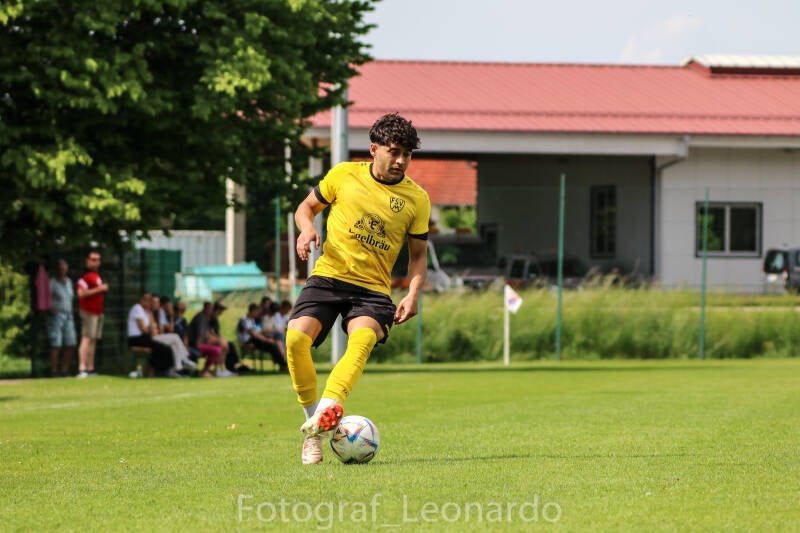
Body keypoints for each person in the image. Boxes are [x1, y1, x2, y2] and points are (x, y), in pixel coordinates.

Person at [287, 113, 430, 464]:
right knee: (294, 340)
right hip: (328, 276)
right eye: (394, 152)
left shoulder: (416, 199)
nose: (400, 161)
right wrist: (306, 230)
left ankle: (329, 410)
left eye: (407, 155)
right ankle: (314, 427)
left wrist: (412, 293)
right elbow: (305, 208)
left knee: (363, 339)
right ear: (374, 149)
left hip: (373, 291)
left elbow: (418, 257)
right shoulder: (343, 175)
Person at [127, 292, 176, 376]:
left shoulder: (147, 312)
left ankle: (160, 371)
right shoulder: (137, 308)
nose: (150, 303)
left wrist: (150, 313)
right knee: (161, 348)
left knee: (165, 348)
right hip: (137, 339)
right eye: (148, 301)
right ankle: (159, 372)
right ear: (142, 300)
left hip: (145, 338)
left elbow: (154, 328)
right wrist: (151, 329)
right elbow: (144, 330)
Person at [76, 250, 108, 378]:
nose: (96, 262)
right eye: (93, 259)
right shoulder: (85, 276)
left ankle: (90, 367)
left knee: (93, 340)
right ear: (88, 261)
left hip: (98, 312)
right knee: (86, 338)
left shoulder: (97, 275)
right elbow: (81, 293)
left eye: (98, 259)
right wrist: (100, 289)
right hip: (88, 311)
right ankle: (82, 368)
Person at [150, 295, 197, 374]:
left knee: (174, 344)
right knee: (175, 337)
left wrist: (171, 316)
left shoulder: (161, 313)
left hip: (161, 337)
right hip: (155, 338)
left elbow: (169, 329)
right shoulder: (157, 312)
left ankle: (178, 367)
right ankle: (184, 360)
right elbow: (163, 330)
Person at [187, 301, 234, 378]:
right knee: (219, 346)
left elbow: (213, 334)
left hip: (202, 343)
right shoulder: (201, 317)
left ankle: (221, 369)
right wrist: (198, 346)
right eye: (212, 309)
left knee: (224, 343)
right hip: (195, 345)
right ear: (207, 308)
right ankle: (215, 370)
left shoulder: (208, 319)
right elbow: (201, 335)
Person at [236, 303, 287, 371]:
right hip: (247, 341)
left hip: (253, 339)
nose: (258, 314)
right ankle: (283, 364)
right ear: (253, 310)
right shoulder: (245, 319)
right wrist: (266, 340)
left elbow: (257, 332)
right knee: (272, 345)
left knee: (273, 345)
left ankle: (282, 363)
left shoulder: (251, 319)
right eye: (257, 312)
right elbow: (254, 334)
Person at [47, 259, 76, 377]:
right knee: (56, 343)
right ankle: (54, 371)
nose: (63, 271)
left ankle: (65, 370)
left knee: (70, 343)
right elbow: (46, 299)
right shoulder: (52, 282)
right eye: (60, 269)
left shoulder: (69, 282)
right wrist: (51, 311)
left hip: (68, 315)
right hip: (56, 315)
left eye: (64, 269)